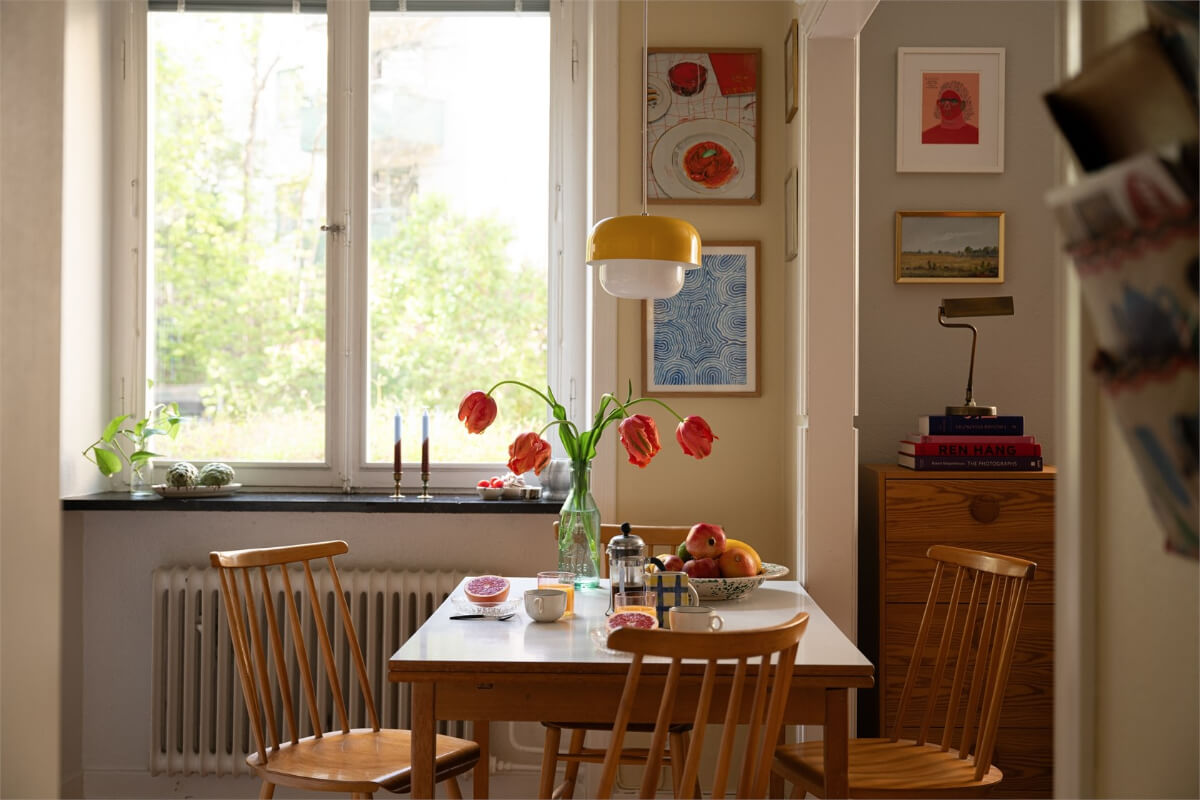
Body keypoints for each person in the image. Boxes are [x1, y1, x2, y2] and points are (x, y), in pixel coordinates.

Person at [922, 80, 979, 145]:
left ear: (962, 105)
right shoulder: (926, 136)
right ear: (938, 104)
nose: (947, 106)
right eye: (943, 101)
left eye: (953, 101)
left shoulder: (976, 134)